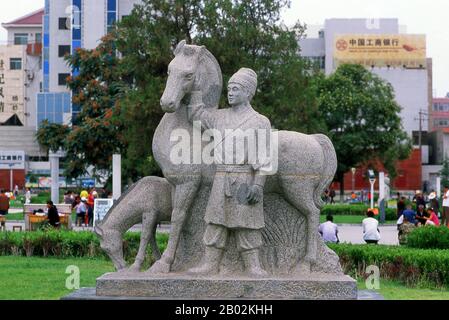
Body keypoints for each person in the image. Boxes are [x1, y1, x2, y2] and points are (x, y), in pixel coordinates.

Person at [187, 68, 271, 277]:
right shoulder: (218, 117)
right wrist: (196, 85)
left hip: (245, 177)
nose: (230, 92)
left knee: (248, 224)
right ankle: (210, 263)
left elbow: (264, 156)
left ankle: (252, 266)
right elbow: (196, 116)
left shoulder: (260, 121)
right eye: (229, 88)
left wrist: (258, 185)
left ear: (248, 92)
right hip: (222, 177)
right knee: (216, 222)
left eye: (236, 89)